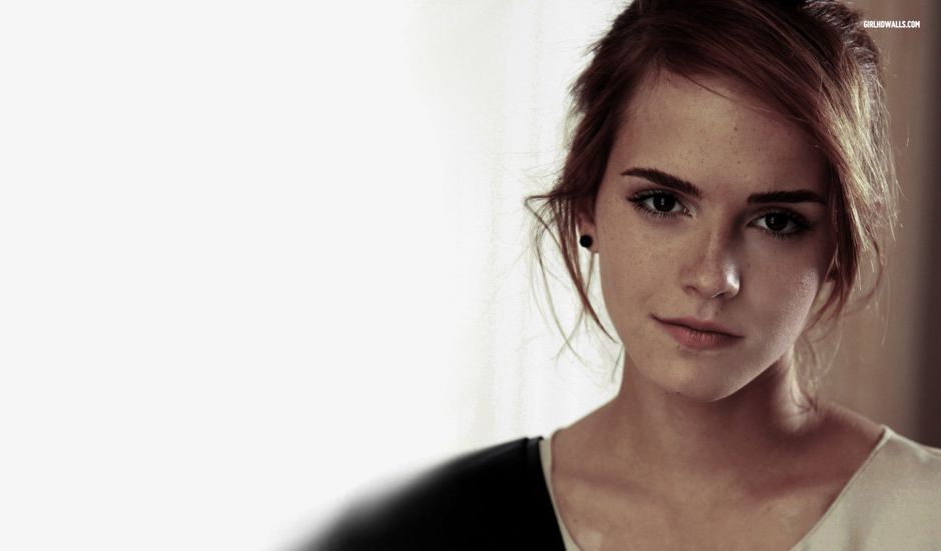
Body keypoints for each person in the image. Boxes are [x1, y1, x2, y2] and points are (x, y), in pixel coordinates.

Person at [304, 0, 941, 549]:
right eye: (662, 203)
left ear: (837, 249)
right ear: (587, 204)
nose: (711, 277)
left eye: (776, 221)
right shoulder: (427, 526)